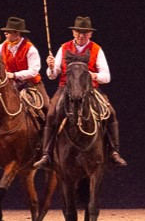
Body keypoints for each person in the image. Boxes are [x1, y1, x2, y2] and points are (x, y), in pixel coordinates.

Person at [34, 16, 126, 168]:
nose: (81, 35)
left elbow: (107, 76)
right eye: (78, 32)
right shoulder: (64, 48)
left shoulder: (96, 49)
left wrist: (94, 75)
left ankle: (114, 151)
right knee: (51, 114)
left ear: (90, 34)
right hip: (65, 88)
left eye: (84, 32)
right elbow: (52, 75)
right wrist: (50, 67)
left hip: (90, 89)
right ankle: (46, 154)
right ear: (73, 33)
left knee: (110, 112)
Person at [0, 16, 48, 106]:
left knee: (47, 108)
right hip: (11, 84)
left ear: (17, 33)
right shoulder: (2, 47)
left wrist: (14, 75)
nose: (5, 33)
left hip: (31, 84)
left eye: (9, 31)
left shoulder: (30, 49)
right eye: (5, 31)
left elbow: (33, 71)